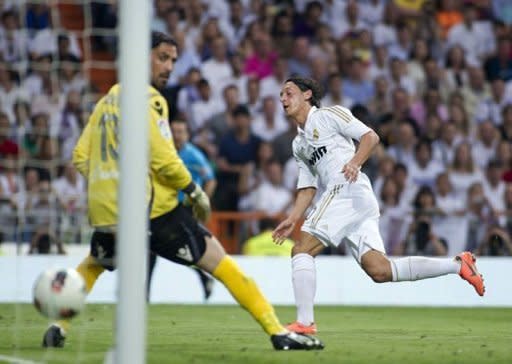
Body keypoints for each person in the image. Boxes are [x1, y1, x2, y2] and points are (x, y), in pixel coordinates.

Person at [42, 32, 323, 351]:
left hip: (108, 211)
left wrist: (110, 184)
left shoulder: (107, 100)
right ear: (139, 56)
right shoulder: (150, 99)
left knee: (94, 264)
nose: (170, 66)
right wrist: (193, 191)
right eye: (163, 57)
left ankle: (57, 324)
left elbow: (80, 155)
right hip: (155, 211)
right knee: (222, 263)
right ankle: (278, 332)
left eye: (173, 59)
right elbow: (163, 158)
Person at [272, 76, 485, 335]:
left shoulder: (328, 115)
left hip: (347, 189)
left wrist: (354, 162)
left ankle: (305, 324)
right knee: (380, 270)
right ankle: (458, 265)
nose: (283, 99)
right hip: (353, 199)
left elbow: (370, 137)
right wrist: (293, 217)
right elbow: (308, 186)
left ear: (307, 95)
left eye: (289, 92)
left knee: (301, 250)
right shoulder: (299, 144)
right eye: (281, 95)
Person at [146, 119, 217, 301]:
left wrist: (201, 201)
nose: (177, 135)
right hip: (163, 208)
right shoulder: (165, 153)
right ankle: (204, 279)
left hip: (184, 208)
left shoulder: (194, 155)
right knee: (158, 248)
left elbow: (210, 179)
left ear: (187, 134)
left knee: (162, 248)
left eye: (181, 131)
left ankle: (144, 293)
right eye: (174, 131)